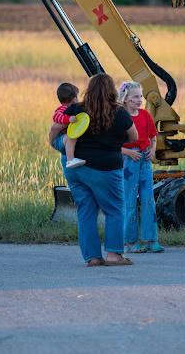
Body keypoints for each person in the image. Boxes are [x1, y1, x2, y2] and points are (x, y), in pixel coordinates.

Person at [49, 73, 138, 267]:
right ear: (111, 91)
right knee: (114, 210)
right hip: (106, 170)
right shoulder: (119, 112)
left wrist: (53, 142)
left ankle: (92, 258)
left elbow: (56, 127)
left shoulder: (77, 109)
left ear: (89, 90)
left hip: (77, 169)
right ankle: (114, 255)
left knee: (86, 211)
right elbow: (134, 137)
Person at [118, 81, 164, 253]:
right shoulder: (120, 117)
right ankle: (130, 242)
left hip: (144, 159)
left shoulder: (145, 115)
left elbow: (153, 136)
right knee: (129, 200)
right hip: (128, 160)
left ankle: (151, 239)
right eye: (135, 97)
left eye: (140, 97)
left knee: (148, 199)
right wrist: (128, 153)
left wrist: (152, 150)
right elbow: (113, 144)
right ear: (125, 99)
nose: (139, 100)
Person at [51, 82, 85, 169]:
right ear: (74, 99)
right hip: (61, 137)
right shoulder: (63, 109)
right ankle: (70, 160)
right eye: (77, 97)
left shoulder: (69, 109)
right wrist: (68, 119)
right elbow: (55, 116)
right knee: (71, 137)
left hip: (63, 138)